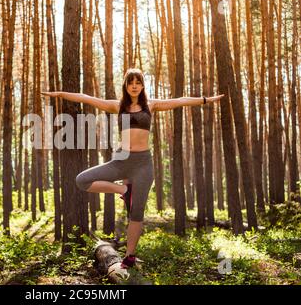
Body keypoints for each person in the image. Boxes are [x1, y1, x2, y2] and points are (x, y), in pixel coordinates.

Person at [42, 68, 224, 269]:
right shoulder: (117, 106)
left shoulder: (151, 105)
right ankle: (123, 190)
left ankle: (129, 256)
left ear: (142, 85)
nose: (134, 86)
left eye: (138, 82)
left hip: (143, 164)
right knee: (82, 180)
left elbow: (180, 101)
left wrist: (206, 100)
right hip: (121, 161)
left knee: (136, 213)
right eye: (131, 82)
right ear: (126, 86)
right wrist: (59, 94)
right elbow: (86, 98)